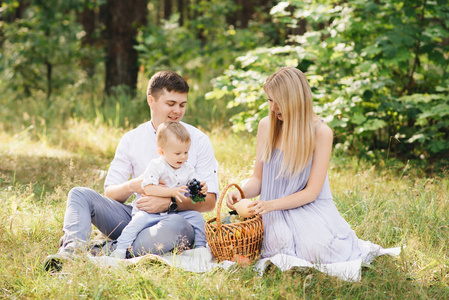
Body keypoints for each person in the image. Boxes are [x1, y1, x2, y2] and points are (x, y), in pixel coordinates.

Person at [44, 71, 219, 271]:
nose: (177, 111)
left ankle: (106, 250)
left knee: (177, 228)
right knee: (79, 194)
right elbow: (111, 193)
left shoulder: (199, 140)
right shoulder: (131, 138)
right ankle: (71, 254)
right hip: (136, 215)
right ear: (150, 100)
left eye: (182, 105)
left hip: (173, 222)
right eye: (170, 104)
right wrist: (134, 185)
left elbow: (210, 201)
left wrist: (169, 203)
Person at [226, 66, 383, 264]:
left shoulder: (320, 133)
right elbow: (258, 179)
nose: (274, 108)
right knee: (276, 243)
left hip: (307, 207)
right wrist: (240, 192)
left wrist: (270, 205)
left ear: (297, 101)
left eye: (279, 101)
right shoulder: (266, 126)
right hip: (271, 210)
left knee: (315, 249)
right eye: (270, 100)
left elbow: (311, 193)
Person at [110, 121, 208, 259]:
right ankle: (120, 249)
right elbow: (148, 188)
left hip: (174, 213)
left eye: (186, 152)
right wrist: (171, 193)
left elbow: (195, 185)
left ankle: (200, 248)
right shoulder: (156, 166)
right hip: (149, 211)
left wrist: (202, 188)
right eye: (178, 153)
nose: (183, 157)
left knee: (197, 218)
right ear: (161, 152)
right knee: (135, 224)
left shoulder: (187, 168)